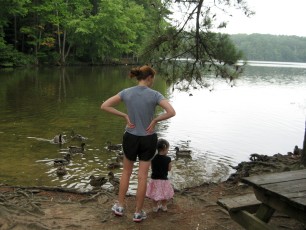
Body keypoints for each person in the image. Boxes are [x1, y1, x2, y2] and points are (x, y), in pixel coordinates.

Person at [101, 65, 176, 222]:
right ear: (149, 78)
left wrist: (124, 116)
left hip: (130, 137)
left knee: (126, 173)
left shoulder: (126, 92)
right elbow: (171, 112)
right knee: (142, 177)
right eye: (153, 79)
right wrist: (155, 119)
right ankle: (138, 213)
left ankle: (120, 206)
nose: (153, 82)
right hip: (148, 138)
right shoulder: (155, 95)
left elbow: (105, 106)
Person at [146, 138, 174, 212]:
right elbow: (169, 169)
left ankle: (155, 207)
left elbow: (151, 167)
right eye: (168, 149)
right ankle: (164, 206)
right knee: (164, 194)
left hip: (154, 179)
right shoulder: (168, 159)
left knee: (154, 194)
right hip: (164, 180)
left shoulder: (153, 158)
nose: (168, 151)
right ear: (164, 148)